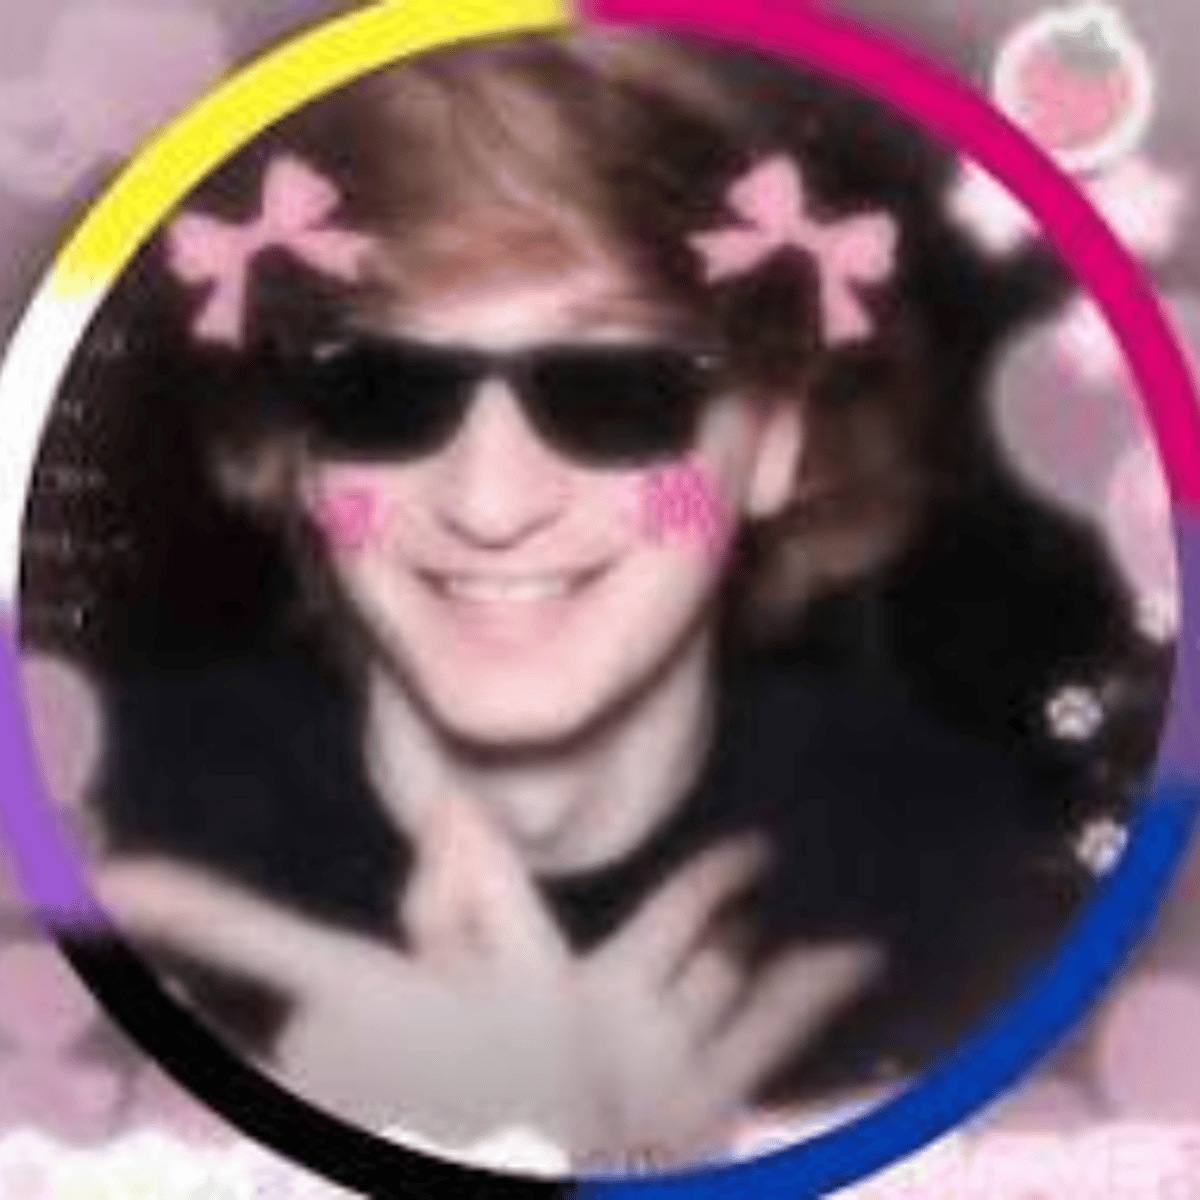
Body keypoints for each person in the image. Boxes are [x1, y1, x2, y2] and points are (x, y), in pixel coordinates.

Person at [45, 28, 1092, 1174]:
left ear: (776, 439)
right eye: (379, 389)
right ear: (296, 453)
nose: (490, 503)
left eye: (618, 391)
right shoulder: (85, 825)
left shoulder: (977, 888)